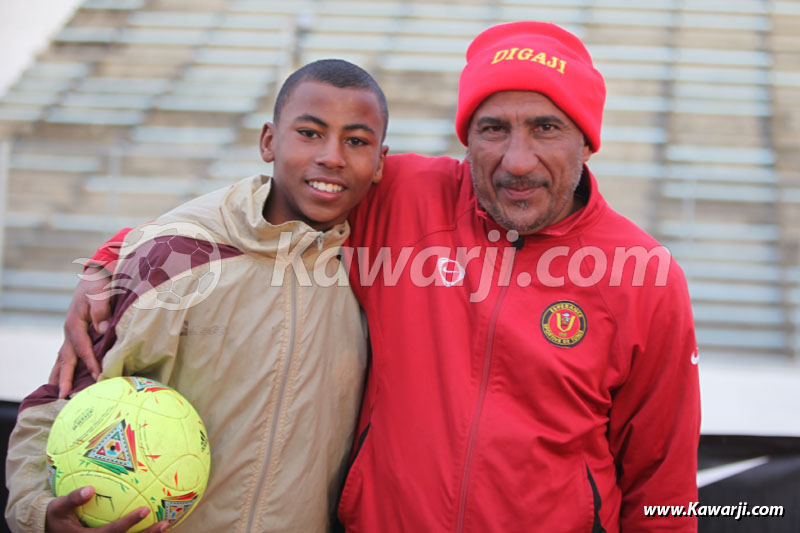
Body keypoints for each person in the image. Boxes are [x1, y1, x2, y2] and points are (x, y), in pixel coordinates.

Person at [43, 22, 701, 532]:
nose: (517, 159)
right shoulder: (406, 194)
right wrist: (115, 258)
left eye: (546, 128)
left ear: (587, 140)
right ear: (466, 136)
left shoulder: (645, 277)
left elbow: (663, 483)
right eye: (493, 128)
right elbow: (254, 210)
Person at [5, 58, 388, 533]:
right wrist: (38, 513)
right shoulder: (175, 257)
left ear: (380, 163)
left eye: (356, 141)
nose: (332, 155)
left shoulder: (374, 270)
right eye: (309, 133)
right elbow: (57, 403)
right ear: (268, 141)